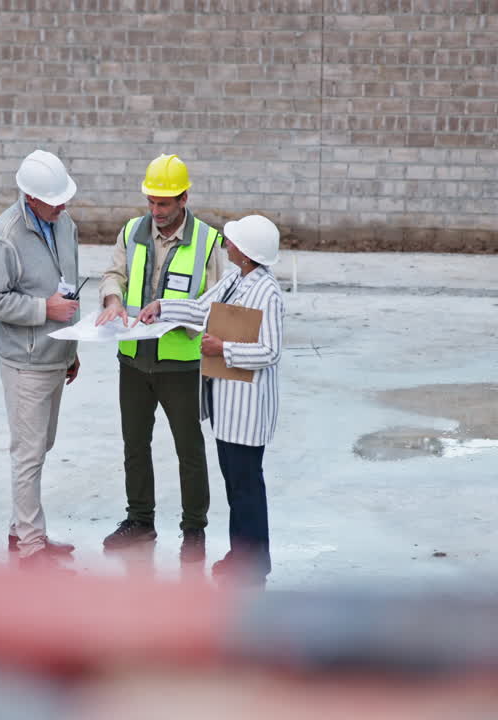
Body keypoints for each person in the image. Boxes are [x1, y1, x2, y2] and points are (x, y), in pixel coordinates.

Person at [135, 215, 284, 588]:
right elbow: (202, 309)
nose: (226, 244)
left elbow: (270, 351)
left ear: (247, 253)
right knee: (235, 486)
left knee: (247, 487)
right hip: (227, 407)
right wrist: (162, 307)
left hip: (248, 410)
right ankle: (241, 555)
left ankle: (253, 564)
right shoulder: (235, 280)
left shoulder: (268, 293)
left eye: (232, 241)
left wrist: (224, 348)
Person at [94, 154, 223, 562]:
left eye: (163, 204)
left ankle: (194, 531)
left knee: (189, 449)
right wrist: (113, 301)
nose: (155, 211)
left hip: (180, 364)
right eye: (151, 201)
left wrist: (180, 317)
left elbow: (216, 301)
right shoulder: (132, 231)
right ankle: (140, 521)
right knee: (135, 443)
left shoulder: (207, 241)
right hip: (133, 358)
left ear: (183, 198)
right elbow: (114, 274)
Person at [0, 149, 82, 573]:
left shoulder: (64, 222)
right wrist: (44, 311)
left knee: (40, 447)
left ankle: (23, 532)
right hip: (25, 360)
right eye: (54, 200)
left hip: (56, 353)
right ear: (29, 197)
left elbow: (69, 288)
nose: (62, 205)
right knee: (29, 452)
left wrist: (72, 349)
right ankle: (30, 549)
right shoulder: (6, 236)